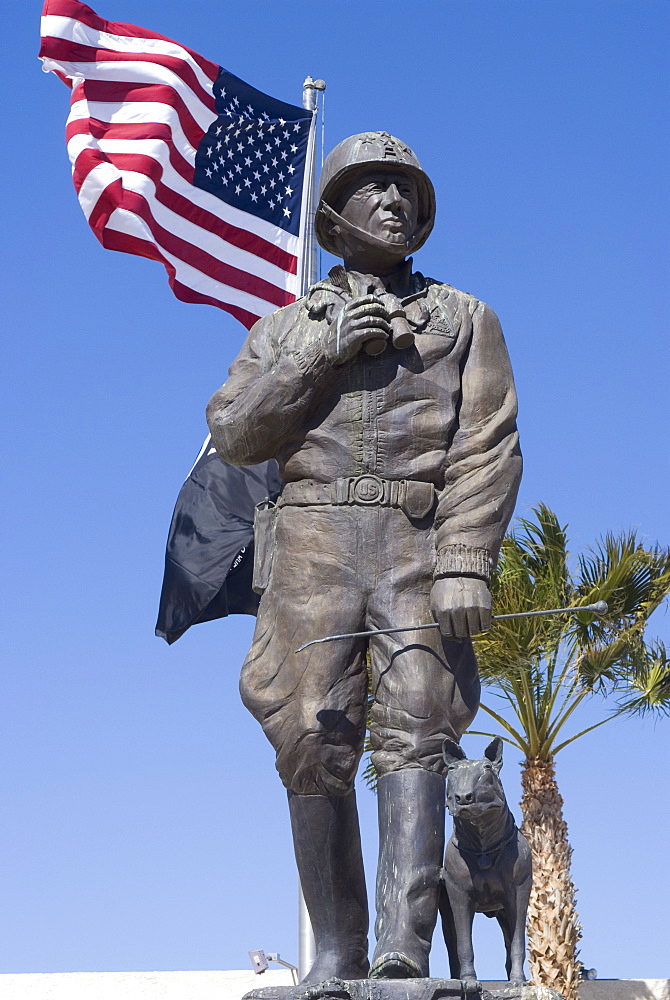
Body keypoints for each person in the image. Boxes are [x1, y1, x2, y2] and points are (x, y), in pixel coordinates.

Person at [206, 131, 522, 982]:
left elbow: (487, 445)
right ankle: (336, 948)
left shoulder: (465, 319)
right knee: (308, 737)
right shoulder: (284, 329)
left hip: (416, 542)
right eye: (373, 188)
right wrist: (321, 350)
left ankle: (400, 949)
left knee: (418, 726)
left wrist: (465, 558)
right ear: (334, 219)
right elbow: (235, 433)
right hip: (310, 547)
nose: (393, 201)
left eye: (405, 191)